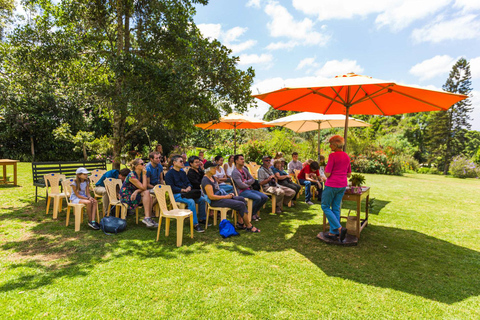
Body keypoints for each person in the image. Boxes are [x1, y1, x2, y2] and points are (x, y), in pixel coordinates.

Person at [202, 161, 259, 233]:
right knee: (240, 204)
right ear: (208, 170)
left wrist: (227, 195)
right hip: (215, 201)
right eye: (214, 168)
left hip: (220, 197)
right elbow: (211, 197)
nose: (216, 169)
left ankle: (240, 223)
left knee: (242, 199)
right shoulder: (206, 180)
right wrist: (226, 197)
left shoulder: (212, 177)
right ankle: (249, 226)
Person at [320, 135, 352, 243]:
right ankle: (333, 233)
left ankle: (339, 228)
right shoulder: (347, 156)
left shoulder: (332, 156)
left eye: (331, 144)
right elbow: (349, 174)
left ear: (336, 144)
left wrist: (325, 171)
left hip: (332, 185)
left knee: (325, 206)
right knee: (336, 207)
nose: (330, 146)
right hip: (342, 185)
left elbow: (328, 174)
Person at [165, 155, 206, 232]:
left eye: (182, 161)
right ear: (174, 162)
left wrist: (189, 187)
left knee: (202, 199)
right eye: (180, 161)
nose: (182, 162)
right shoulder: (169, 174)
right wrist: (182, 190)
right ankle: (195, 224)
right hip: (176, 194)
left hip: (186, 193)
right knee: (191, 201)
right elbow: (170, 188)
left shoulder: (182, 172)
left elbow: (188, 183)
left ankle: (202, 219)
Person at [119, 158, 158, 228]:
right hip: (126, 195)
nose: (144, 165)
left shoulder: (141, 174)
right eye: (142, 164)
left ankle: (148, 218)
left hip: (135, 193)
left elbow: (144, 188)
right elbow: (144, 188)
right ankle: (147, 218)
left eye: (144, 163)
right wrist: (144, 174)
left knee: (148, 195)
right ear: (136, 166)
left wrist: (136, 191)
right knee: (146, 193)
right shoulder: (132, 175)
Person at [231, 154, 268, 221]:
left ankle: (253, 213)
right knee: (258, 198)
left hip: (249, 189)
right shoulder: (235, 172)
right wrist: (248, 183)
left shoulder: (245, 169)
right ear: (236, 161)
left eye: (243, 159)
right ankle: (251, 214)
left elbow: (253, 179)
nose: (243, 160)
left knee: (265, 197)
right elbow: (241, 185)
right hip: (241, 192)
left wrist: (245, 182)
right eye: (241, 159)